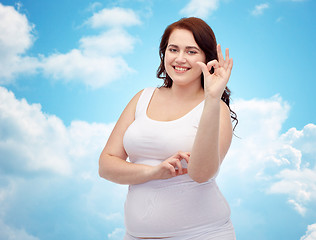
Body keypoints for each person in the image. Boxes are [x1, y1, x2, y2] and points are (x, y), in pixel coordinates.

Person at [99, 17, 238, 240]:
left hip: (203, 234)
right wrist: (154, 172)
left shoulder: (215, 108)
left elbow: (202, 174)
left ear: (207, 58)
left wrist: (211, 98)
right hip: (135, 235)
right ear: (164, 53)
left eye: (192, 51)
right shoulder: (142, 98)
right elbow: (106, 165)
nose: (180, 58)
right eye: (173, 49)